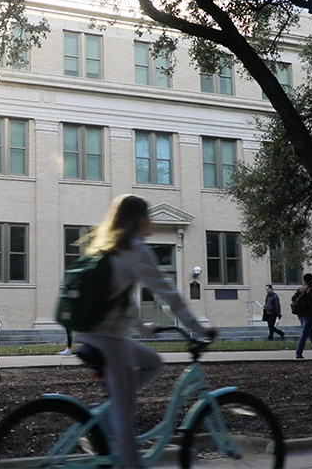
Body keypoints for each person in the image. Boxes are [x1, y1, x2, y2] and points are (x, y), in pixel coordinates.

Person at [74, 194, 216, 468]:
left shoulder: (109, 247)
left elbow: (118, 297)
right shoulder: (136, 249)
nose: (150, 220)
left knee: (153, 362)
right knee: (126, 419)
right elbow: (170, 295)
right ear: (140, 219)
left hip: (91, 333)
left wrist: (142, 326)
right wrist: (200, 328)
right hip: (109, 340)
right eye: (148, 215)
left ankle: (106, 414)